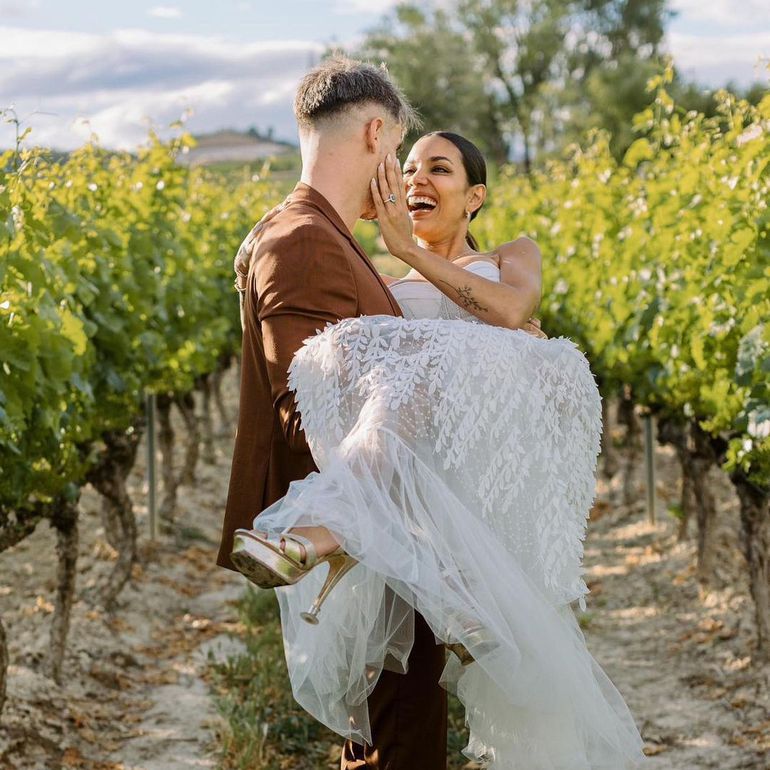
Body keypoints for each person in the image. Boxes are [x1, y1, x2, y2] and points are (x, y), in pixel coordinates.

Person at [229, 126, 650, 768]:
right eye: (408, 168)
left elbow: (509, 311)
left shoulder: (512, 254)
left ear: (475, 196)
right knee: (392, 701)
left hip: (478, 486)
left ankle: (343, 531)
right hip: (408, 493)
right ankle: (433, 586)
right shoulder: (380, 287)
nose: (417, 178)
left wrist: (405, 247)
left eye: (440, 168)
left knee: (428, 359)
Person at [216, 56, 450, 769]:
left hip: (382, 529)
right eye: (399, 152)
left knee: (390, 733)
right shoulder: (304, 240)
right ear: (376, 133)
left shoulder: (321, 233)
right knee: (400, 741)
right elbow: (304, 412)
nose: (403, 178)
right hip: (368, 534)